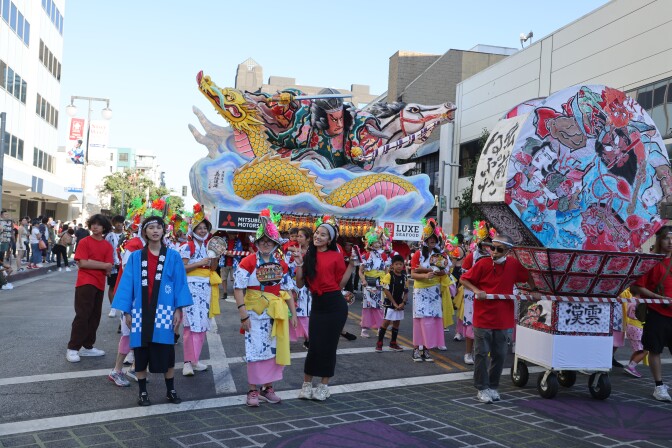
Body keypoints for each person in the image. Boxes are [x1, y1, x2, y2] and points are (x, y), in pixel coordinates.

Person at [112, 216, 193, 405]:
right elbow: (127, 285)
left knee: (167, 352)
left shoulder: (172, 256)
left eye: (159, 227)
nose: (155, 231)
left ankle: (170, 390)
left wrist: (178, 309)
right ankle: (142, 392)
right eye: (151, 228)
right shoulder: (135, 257)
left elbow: (180, 283)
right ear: (144, 232)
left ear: (164, 231)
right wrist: (127, 312)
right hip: (140, 311)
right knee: (141, 352)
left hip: (165, 311)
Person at [460, 234, 540, 404]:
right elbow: (464, 279)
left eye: (499, 249)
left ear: (508, 251)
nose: (494, 252)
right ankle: (482, 388)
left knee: (500, 354)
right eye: (492, 247)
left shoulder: (513, 264)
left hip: (503, 318)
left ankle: (492, 386)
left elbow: (527, 275)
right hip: (483, 317)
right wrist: (476, 290)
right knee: (481, 354)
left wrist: (534, 289)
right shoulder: (482, 263)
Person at [233, 208, 297, 406]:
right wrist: (243, 313)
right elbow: (238, 288)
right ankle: (253, 390)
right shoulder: (248, 261)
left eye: (270, 241)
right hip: (254, 312)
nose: (266, 244)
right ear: (257, 243)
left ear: (276, 243)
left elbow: (287, 291)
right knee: (254, 350)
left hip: (276, 313)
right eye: (262, 241)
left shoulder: (282, 264)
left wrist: (293, 314)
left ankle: (268, 388)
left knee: (273, 351)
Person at [294, 216, 357, 401]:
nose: (318, 237)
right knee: (314, 346)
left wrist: (351, 265)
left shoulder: (336, 256)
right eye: (317, 233)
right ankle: (306, 384)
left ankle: (323, 386)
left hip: (335, 305)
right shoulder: (308, 256)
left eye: (323, 235)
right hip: (318, 305)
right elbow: (299, 283)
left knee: (329, 347)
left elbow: (340, 284)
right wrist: (299, 264)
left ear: (329, 240)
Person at [631, 225, 672, 401]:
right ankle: (659, 386)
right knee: (655, 350)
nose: (670, 242)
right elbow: (637, 287)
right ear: (659, 240)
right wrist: (658, 297)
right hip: (657, 312)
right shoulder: (651, 261)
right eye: (666, 238)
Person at [66, 214, 114, 363]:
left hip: (99, 283)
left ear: (104, 227)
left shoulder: (107, 245)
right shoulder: (85, 241)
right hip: (85, 282)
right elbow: (83, 263)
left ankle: (87, 346)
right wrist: (102, 265)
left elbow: (109, 267)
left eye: (99, 224)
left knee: (95, 316)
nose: (95, 226)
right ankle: (73, 348)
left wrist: (96, 264)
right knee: (82, 315)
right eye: (93, 224)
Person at [179, 204, 221, 376]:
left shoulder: (210, 246)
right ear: (193, 229)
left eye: (205, 228)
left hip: (206, 287)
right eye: (200, 228)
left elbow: (213, 268)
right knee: (190, 325)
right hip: (190, 287)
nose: (203, 231)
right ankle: (187, 362)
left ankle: (195, 359)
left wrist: (216, 257)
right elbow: (182, 267)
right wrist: (200, 262)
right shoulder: (187, 246)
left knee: (202, 324)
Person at [409, 219, 449, 362]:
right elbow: (413, 274)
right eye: (429, 238)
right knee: (420, 320)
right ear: (425, 240)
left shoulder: (441, 255)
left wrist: (438, 272)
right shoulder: (418, 254)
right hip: (420, 292)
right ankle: (415, 349)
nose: (432, 240)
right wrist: (426, 274)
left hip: (434, 291)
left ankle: (426, 349)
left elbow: (446, 272)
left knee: (432, 321)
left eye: (434, 238)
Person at [358, 227, 391, 338]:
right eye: (374, 242)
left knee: (379, 306)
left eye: (378, 242)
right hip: (368, 283)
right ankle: (364, 328)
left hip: (380, 283)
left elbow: (387, 271)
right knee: (367, 306)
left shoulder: (384, 255)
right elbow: (360, 271)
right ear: (370, 244)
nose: (377, 244)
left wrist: (386, 281)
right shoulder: (365, 256)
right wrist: (363, 280)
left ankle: (380, 328)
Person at [376, 254, 408, 352]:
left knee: (396, 323)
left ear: (403, 265)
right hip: (390, 303)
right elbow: (386, 290)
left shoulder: (404, 277)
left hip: (400, 303)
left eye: (400, 264)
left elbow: (406, 291)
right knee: (386, 322)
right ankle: (379, 343)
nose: (399, 266)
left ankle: (393, 343)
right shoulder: (389, 275)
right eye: (396, 264)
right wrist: (393, 303)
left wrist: (403, 302)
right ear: (392, 265)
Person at [287, 227, 312, 349]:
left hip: (307, 285)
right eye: (297, 236)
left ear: (308, 239)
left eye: (301, 236)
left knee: (306, 312)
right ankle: (287, 337)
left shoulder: (314, 252)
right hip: (294, 283)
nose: (298, 238)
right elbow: (287, 264)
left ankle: (309, 338)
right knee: (294, 312)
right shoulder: (292, 248)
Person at [105, 215, 126, 318]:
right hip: (113, 265)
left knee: (125, 286)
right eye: (116, 222)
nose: (118, 224)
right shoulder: (109, 236)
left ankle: (124, 308)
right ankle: (113, 308)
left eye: (120, 222)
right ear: (113, 224)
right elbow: (106, 250)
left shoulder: (127, 235)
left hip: (124, 265)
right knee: (112, 286)